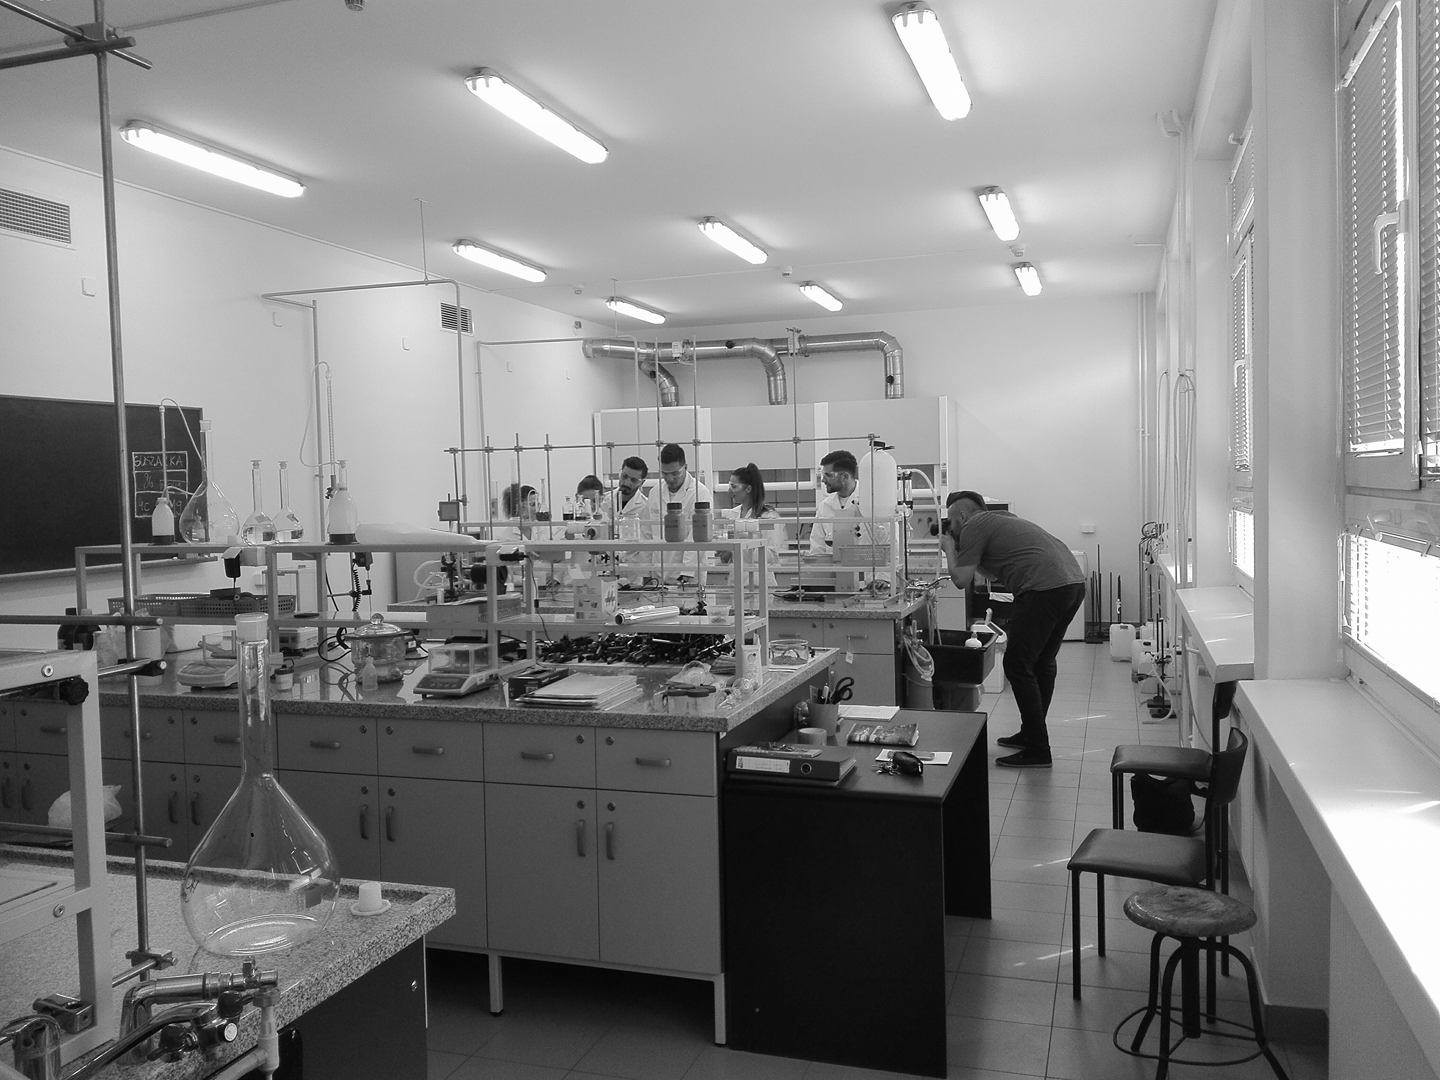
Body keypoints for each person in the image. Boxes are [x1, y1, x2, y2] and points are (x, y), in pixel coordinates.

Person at [941, 491, 1085, 768]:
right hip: (1072, 584)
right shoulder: (1001, 519)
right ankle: (1032, 734)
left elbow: (960, 580)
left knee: (1017, 665)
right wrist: (962, 549)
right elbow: (992, 572)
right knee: (1042, 661)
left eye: (951, 521)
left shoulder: (973, 526)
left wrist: (949, 548)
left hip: (1043, 588)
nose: (951, 527)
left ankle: (1038, 749)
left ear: (962, 515)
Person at [718, 463, 786, 581]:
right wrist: (726, 551)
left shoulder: (769, 516)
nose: (729, 491)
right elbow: (726, 556)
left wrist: (746, 542)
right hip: (736, 581)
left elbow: (772, 555)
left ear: (748, 489)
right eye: (730, 486)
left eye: (734, 487)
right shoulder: (732, 514)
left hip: (760, 581)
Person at [807, 449, 864, 554]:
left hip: (866, 564)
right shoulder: (825, 506)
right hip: (834, 564)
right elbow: (817, 548)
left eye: (828, 475)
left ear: (844, 477)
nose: (823, 480)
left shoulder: (870, 502)